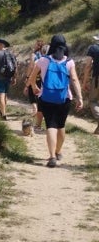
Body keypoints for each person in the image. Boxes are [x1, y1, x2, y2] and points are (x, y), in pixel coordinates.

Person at [26, 34, 83, 168]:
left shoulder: (43, 60)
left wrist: (35, 87)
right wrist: (79, 97)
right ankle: (58, 151)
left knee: (50, 125)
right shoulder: (69, 62)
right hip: (64, 98)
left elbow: (32, 78)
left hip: (46, 97)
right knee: (61, 126)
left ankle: (52, 156)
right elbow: (74, 80)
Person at [23, 40, 46, 132]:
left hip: (34, 77)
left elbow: (31, 66)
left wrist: (28, 77)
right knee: (39, 96)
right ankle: (39, 114)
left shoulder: (34, 55)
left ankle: (35, 109)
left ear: (37, 46)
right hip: (42, 78)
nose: (33, 45)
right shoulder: (44, 55)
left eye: (35, 44)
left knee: (31, 94)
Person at [81, 34, 99, 134]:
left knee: (93, 101)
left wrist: (84, 82)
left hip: (97, 78)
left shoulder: (93, 48)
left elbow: (88, 66)